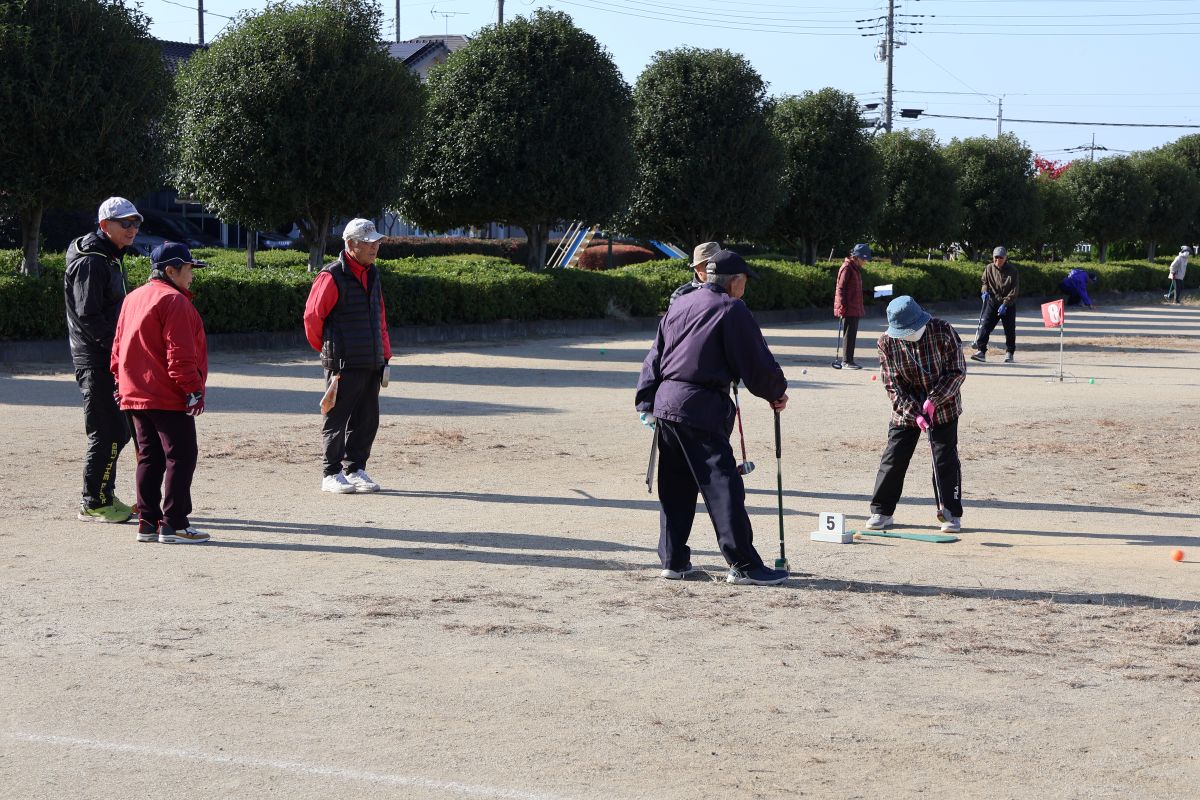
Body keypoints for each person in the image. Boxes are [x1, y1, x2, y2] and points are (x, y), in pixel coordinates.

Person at [635, 249, 791, 586]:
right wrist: (775, 391)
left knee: (675, 486)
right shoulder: (732, 308)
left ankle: (673, 560)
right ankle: (744, 564)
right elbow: (756, 361)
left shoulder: (680, 303)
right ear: (735, 281)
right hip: (701, 406)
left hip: (667, 404)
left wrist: (645, 401)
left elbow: (654, 356)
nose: (745, 288)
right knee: (723, 485)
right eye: (745, 281)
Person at [111, 242, 210, 544]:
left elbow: (117, 349)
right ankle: (174, 524)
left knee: (149, 457)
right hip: (166, 393)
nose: (192, 275)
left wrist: (120, 384)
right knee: (181, 456)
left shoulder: (133, 297)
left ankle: (147, 523)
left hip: (134, 392)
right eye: (189, 269)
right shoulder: (175, 300)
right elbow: (180, 355)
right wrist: (193, 390)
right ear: (171, 270)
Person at [64, 196, 141, 523]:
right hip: (96, 359)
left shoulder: (108, 255)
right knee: (108, 432)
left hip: (105, 356)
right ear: (104, 225)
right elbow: (89, 316)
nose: (132, 229)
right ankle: (94, 501)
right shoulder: (92, 261)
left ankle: (102, 495)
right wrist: (119, 349)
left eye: (136, 222)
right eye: (125, 223)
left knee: (116, 431)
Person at [304, 218, 392, 494]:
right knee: (336, 419)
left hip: (371, 361)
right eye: (368, 242)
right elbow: (312, 318)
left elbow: (380, 318)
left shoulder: (373, 274)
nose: (374, 247)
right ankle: (331, 473)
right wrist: (328, 350)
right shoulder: (331, 275)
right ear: (351, 244)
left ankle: (355, 469)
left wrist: (385, 356)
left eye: (376, 242)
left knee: (367, 420)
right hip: (342, 363)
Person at [866, 296, 966, 534]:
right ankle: (882, 511)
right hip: (906, 408)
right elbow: (893, 386)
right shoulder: (886, 343)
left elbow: (957, 371)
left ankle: (950, 513)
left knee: (944, 459)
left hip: (944, 405)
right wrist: (915, 413)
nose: (908, 335)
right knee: (894, 457)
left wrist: (933, 400)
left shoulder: (943, 331)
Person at [969, 246, 1020, 364]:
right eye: (996, 257)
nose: (998, 260)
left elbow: (1014, 290)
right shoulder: (989, 268)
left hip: (1008, 305)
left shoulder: (1013, 271)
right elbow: (984, 282)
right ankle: (981, 351)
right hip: (993, 302)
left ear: (1005, 258)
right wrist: (984, 291)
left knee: (1009, 330)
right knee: (985, 327)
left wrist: (1005, 304)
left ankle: (1010, 353)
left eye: (1000, 257)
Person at [833, 243, 872, 369]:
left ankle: (849, 360)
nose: (865, 262)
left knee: (852, 334)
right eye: (863, 259)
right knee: (849, 335)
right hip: (848, 307)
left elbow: (855, 289)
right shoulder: (847, 268)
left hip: (854, 307)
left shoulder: (854, 268)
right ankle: (846, 362)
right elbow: (841, 288)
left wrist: (873, 292)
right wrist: (842, 306)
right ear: (856, 257)